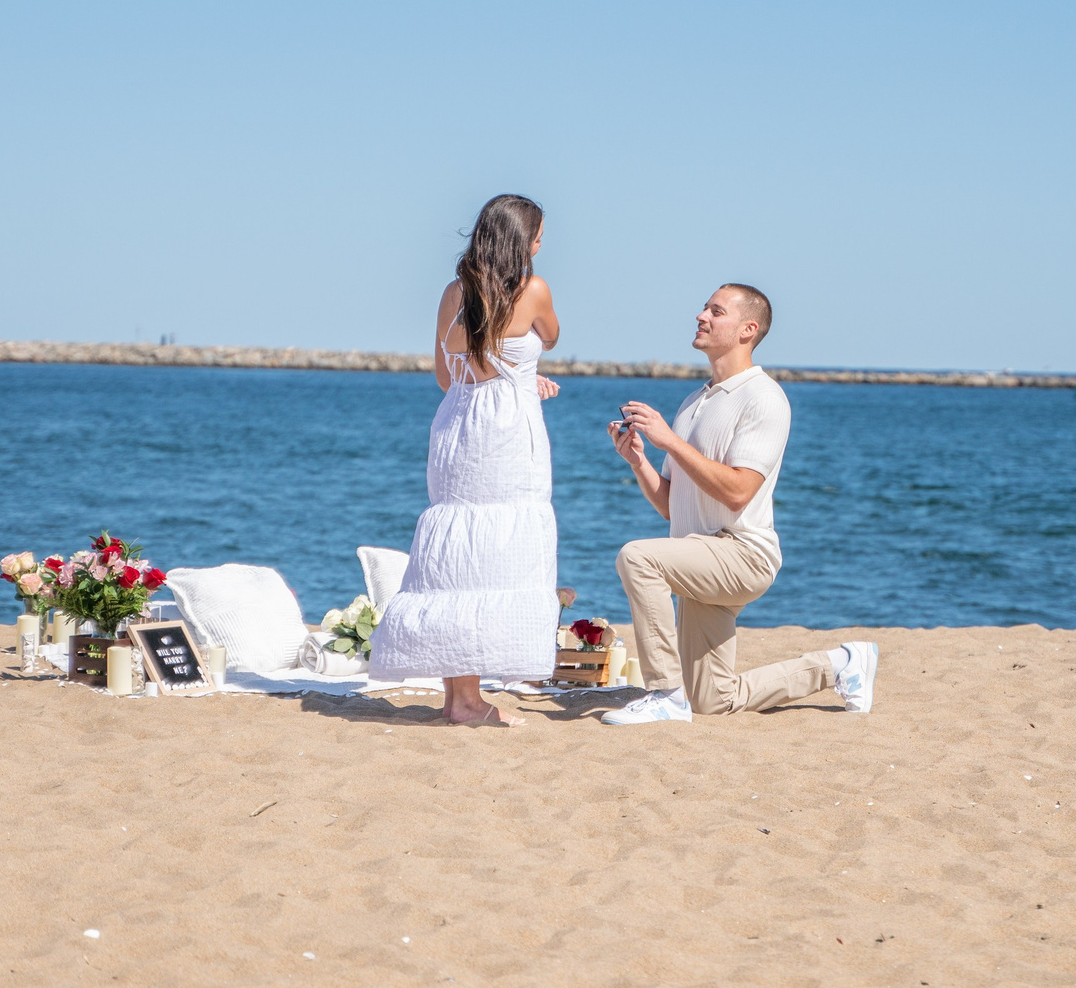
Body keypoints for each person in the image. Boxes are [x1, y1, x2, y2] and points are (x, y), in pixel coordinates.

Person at [600, 284, 877, 724]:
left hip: (742, 553)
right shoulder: (693, 402)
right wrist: (639, 462)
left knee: (638, 557)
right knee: (713, 700)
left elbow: (738, 491)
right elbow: (671, 505)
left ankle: (665, 693)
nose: (701, 316)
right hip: (699, 555)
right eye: (704, 309)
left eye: (716, 311)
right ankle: (840, 664)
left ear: (748, 329)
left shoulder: (764, 397)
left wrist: (668, 440)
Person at [367, 194, 563, 726]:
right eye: (538, 236)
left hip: (457, 428)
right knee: (495, 553)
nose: (541, 245)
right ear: (522, 241)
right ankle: (469, 702)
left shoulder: (454, 292)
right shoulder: (533, 289)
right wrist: (519, 382)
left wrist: (508, 380)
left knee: (457, 555)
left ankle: (459, 698)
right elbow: (550, 335)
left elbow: (445, 376)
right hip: (507, 437)